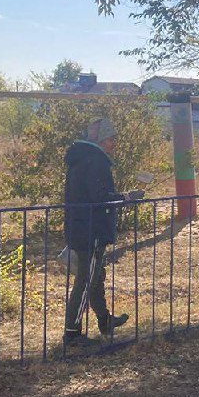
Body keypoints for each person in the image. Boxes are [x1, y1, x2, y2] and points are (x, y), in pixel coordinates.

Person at [63, 117, 143, 345]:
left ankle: (104, 320)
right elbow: (101, 198)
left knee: (96, 276)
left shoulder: (81, 158)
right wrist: (127, 198)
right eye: (111, 139)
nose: (114, 144)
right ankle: (72, 333)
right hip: (91, 229)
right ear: (100, 140)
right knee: (86, 280)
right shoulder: (95, 161)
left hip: (80, 225)